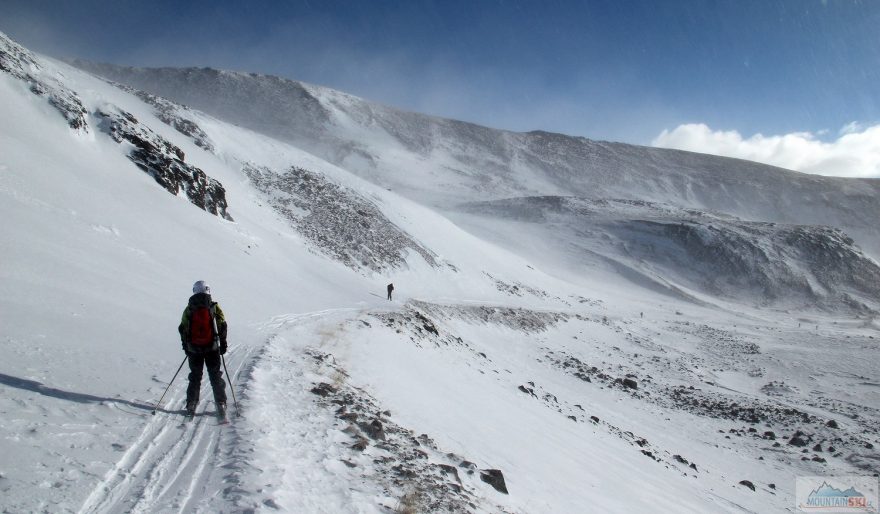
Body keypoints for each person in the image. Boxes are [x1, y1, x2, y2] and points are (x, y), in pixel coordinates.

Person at [178, 280, 228, 418]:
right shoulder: (214, 307)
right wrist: (223, 344)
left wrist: (186, 346)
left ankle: (191, 404)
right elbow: (222, 325)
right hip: (212, 348)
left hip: (194, 349)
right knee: (215, 375)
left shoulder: (189, 309)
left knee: (195, 377)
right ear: (208, 290)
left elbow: (182, 328)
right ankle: (221, 403)